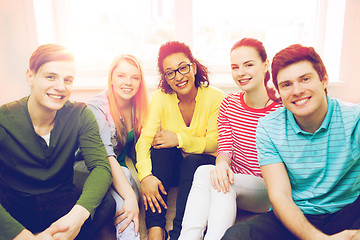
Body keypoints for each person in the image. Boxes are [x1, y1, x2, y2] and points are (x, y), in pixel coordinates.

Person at [222, 44, 360, 240]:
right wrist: (317, 238)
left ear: (324, 79)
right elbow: (280, 196)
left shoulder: (355, 119)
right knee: (236, 236)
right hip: (297, 213)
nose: (297, 90)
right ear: (278, 91)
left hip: (349, 209)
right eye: (286, 84)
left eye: (305, 79)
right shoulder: (269, 127)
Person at [0, 44, 114, 240]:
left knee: (107, 204)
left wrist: (76, 218)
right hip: (17, 205)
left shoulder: (80, 114)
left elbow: (101, 168)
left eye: (67, 80)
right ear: (30, 76)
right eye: (50, 77)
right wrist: (23, 236)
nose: (61, 87)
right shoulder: (4, 119)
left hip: (60, 202)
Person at [178, 38, 281, 240]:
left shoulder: (280, 110)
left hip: (265, 188)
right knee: (204, 171)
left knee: (226, 183)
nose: (241, 72)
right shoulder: (229, 103)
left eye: (249, 65)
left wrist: (225, 174)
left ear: (265, 65)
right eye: (235, 67)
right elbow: (225, 148)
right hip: (235, 179)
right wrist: (222, 165)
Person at [136, 41, 224, 240]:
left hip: (201, 169)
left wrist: (179, 139)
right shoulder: (159, 98)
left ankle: (179, 233)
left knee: (192, 160)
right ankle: (155, 230)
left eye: (183, 67)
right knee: (160, 148)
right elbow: (144, 140)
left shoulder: (215, 97)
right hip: (174, 170)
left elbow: (215, 143)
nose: (179, 77)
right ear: (165, 77)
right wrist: (145, 176)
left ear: (193, 66)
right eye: (170, 72)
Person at [87, 54, 148, 240]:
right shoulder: (97, 107)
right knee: (127, 181)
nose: (128, 82)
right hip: (89, 169)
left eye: (134, 77)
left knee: (131, 181)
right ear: (111, 78)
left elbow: (138, 151)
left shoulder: (137, 107)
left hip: (116, 172)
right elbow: (106, 156)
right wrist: (130, 196)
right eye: (121, 75)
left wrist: (148, 178)